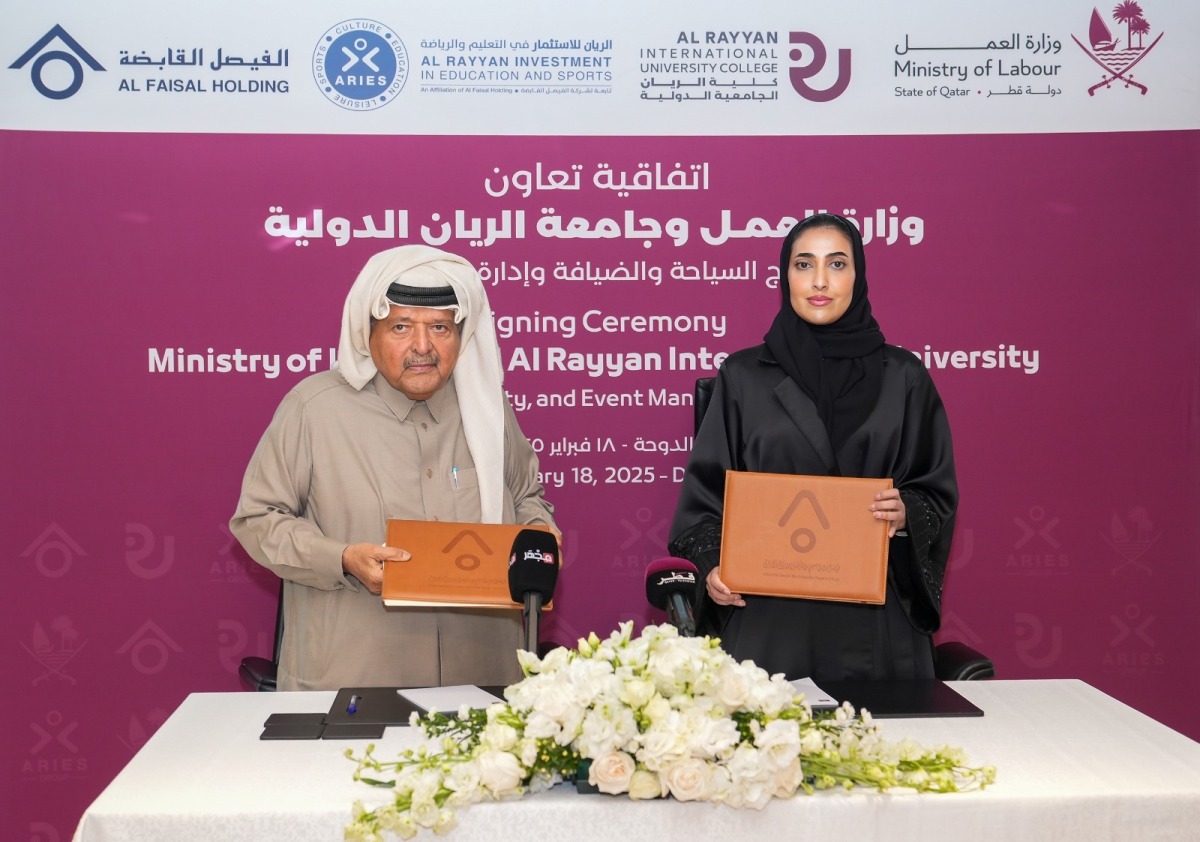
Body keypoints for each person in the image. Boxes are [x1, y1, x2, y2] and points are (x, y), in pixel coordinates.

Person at [231, 245, 557, 691]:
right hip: (353, 677)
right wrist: (342, 559)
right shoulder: (314, 408)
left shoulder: (486, 407)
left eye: (440, 328)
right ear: (368, 333)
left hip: (482, 672)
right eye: (401, 327)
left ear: (461, 336)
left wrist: (540, 537)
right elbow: (257, 520)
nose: (422, 347)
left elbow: (525, 497)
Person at [668, 213, 957, 681]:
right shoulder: (743, 377)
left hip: (875, 614)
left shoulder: (904, 377)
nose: (819, 280)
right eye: (804, 264)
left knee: (882, 730)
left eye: (837, 264)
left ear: (858, 276)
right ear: (786, 276)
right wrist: (713, 568)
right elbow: (703, 506)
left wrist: (907, 512)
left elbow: (934, 492)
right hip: (768, 612)